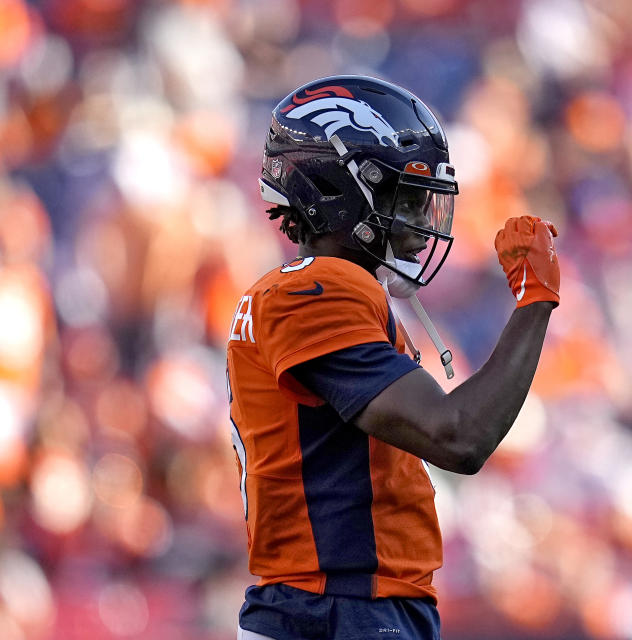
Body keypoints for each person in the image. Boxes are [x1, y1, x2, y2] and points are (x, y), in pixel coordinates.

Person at [226, 75, 560, 640]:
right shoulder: (318, 289)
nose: (422, 221)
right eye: (404, 196)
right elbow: (458, 436)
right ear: (337, 189)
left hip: (339, 605)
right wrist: (535, 302)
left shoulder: (323, 290)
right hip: (338, 607)